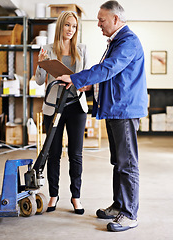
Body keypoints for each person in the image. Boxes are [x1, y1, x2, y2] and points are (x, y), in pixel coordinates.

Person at [57, 0, 148, 232]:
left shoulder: (128, 42)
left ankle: (129, 214)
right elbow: (111, 75)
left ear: (115, 19)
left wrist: (77, 79)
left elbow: (110, 68)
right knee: (118, 162)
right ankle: (119, 206)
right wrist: (88, 87)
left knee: (127, 163)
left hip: (125, 110)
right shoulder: (116, 42)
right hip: (116, 109)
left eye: (101, 19)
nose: (98, 24)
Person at [35, 11, 89, 215]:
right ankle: (53, 195)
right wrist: (40, 64)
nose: (70, 30)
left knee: (76, 154)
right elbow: (40, 81)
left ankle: (76, 197)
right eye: (67, 25)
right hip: (53, 106)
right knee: (53, 153)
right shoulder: (47, 49)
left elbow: (86, 77)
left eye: (74, 27)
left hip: (76, 107)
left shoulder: (82, 49)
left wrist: (79, 82)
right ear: (60, 26)